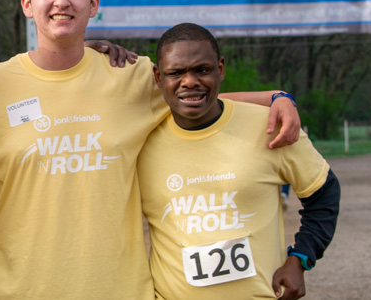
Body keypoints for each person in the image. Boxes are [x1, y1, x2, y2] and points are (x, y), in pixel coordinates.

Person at [0, 0, 301, 300]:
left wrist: (277, 97)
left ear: (93, 4)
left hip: (119, 289)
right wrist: (4, 202)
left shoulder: (130, 74)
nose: (61, 1)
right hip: (18, 290)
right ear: (27, 5)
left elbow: (197, 100)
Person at [138, 22, 340, 300]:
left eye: (202, 70)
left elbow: (323, 194)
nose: (190, 81)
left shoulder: (269, 126)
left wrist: (301, 258)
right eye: (176, 73)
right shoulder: (140, 142)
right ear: (159, 77)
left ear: (220, 69)